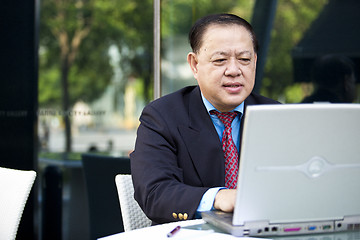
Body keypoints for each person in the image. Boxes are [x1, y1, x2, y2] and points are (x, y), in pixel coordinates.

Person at [130, 13, 280, 225]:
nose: (234, 70)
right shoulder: (163, 116)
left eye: (245, 59)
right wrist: (219, 197)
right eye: (220, 60)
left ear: (255, 61)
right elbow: (155, 193)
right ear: (194, 64)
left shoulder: (277, 116)